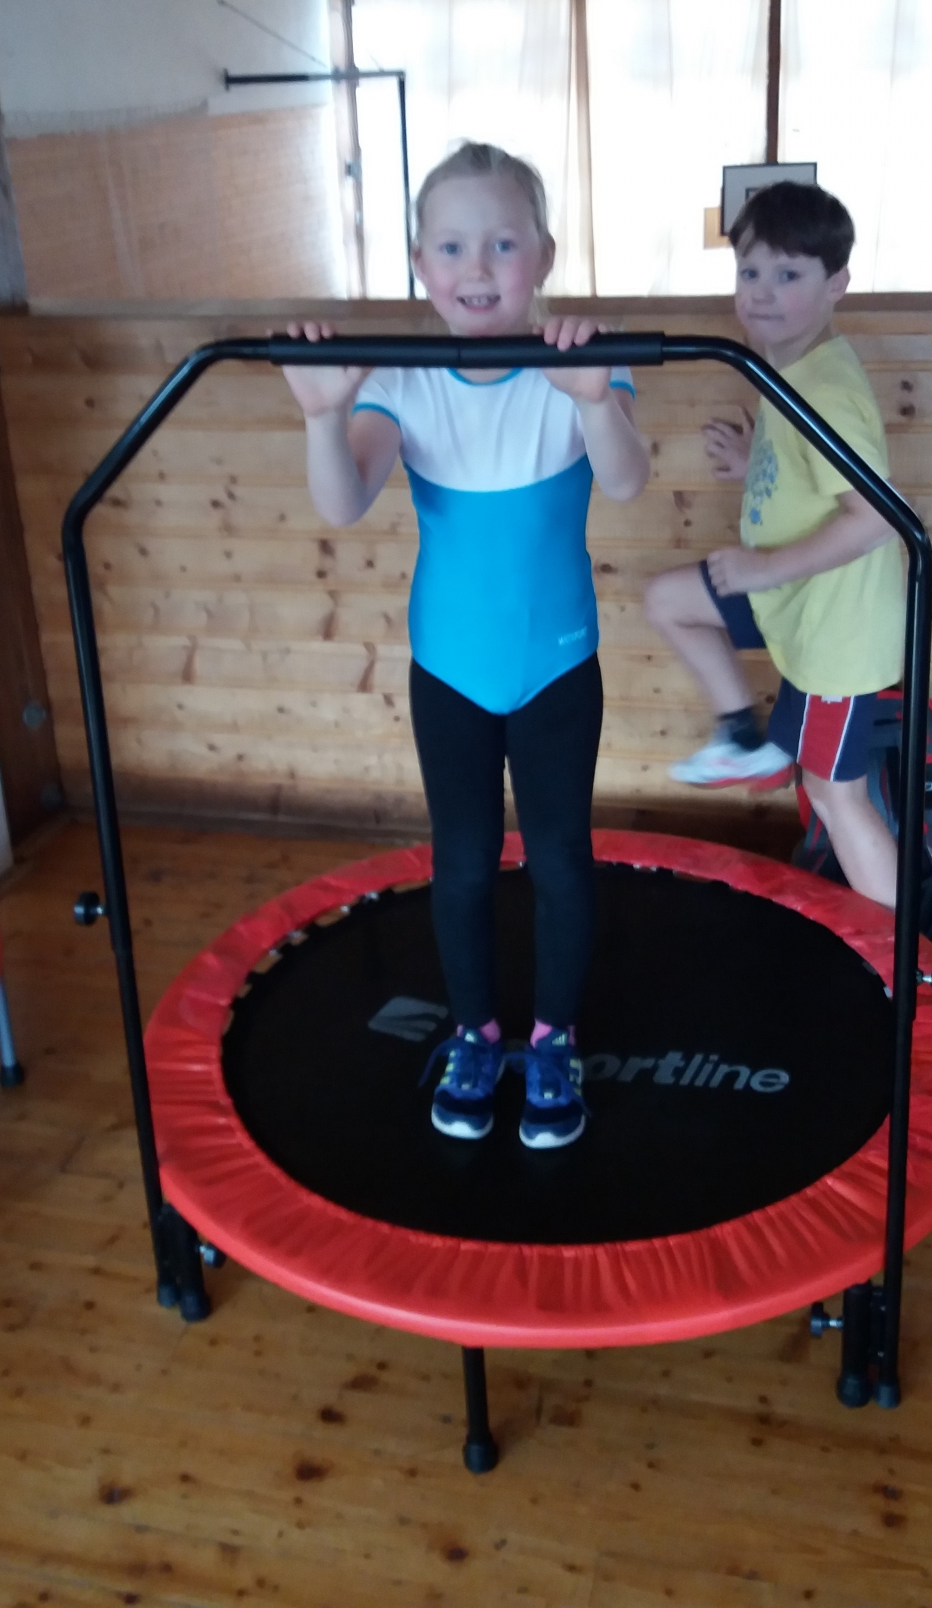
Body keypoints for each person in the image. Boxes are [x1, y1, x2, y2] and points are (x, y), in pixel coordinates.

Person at [282, 142, 648, 1148]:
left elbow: (626, 482)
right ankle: (477, 1035)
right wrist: (321, 420)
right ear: (420, 264)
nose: (476, 267)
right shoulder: (402, 380)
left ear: (543, 256)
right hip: (447, 668)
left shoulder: (583, 365)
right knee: (464, 865)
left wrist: (592, 398)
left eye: (501, 244)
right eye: (451, 247)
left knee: (561, 861)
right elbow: (344, 500)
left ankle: (555, 1040)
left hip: (558, 664)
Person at [643, 180, 904, 907]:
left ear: (836, 284)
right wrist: (753, 459)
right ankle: (741, 737)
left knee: (835, 794)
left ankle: (900, 953)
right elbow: (809, 469)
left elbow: (874, 518)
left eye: (788, 274)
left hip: (835, 631)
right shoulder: (787, 364)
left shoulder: (827, 390)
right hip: (792, 598)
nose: (761, 291)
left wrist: (763, 567)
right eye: (750, 271)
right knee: (668, 600)